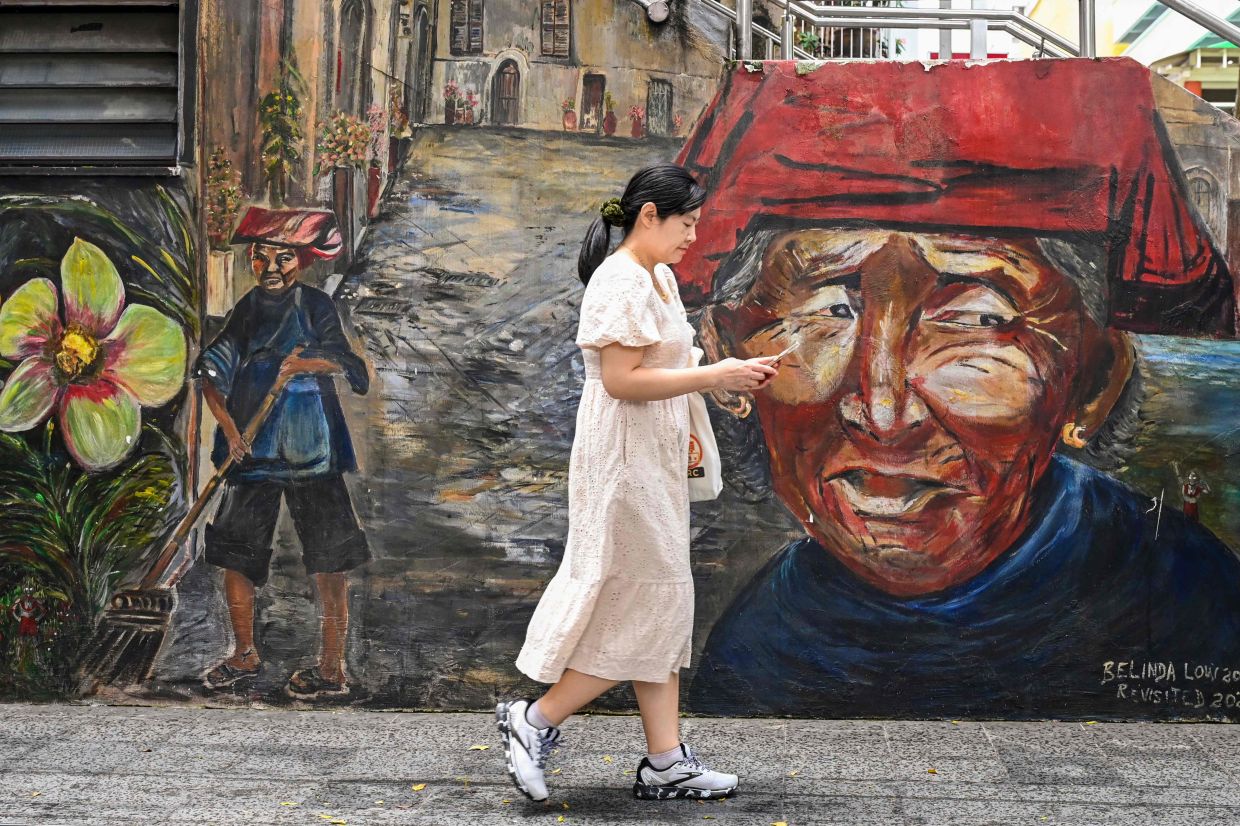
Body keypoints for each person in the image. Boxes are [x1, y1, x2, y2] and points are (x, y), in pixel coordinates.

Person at [670, 59, 1240, 719]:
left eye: (977, 320)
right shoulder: (755, 647)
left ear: (1092, 382)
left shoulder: (1194, 605)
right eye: (826, 309)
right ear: (722, 353)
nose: (883, 411)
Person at [495, 164, 778, 802]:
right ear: (649, 215)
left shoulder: (659, 278)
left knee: (658, 601)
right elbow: (621, 381)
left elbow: (663, 364)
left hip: (650, 456)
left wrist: (722, 380)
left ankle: (666, 761)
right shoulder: (620, 281)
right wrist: (715, 377)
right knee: (646, 599)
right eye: (686, 223)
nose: (692, 237)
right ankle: (534, 720)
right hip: (623, 463)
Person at [196, 207, 370, 700]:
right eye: (263, 257)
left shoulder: (315, 306)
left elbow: (349, 365)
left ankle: (332, 667)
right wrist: (230, 430)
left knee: (329, 555)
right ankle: (244, 653)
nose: (272, 268)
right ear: (253, 259)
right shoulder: (248, 309)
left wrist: (305, 364)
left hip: (313, 449)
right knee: (234, 552)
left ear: (302, 261)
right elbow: (210, 374)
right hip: (253, 453)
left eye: (283, 258)